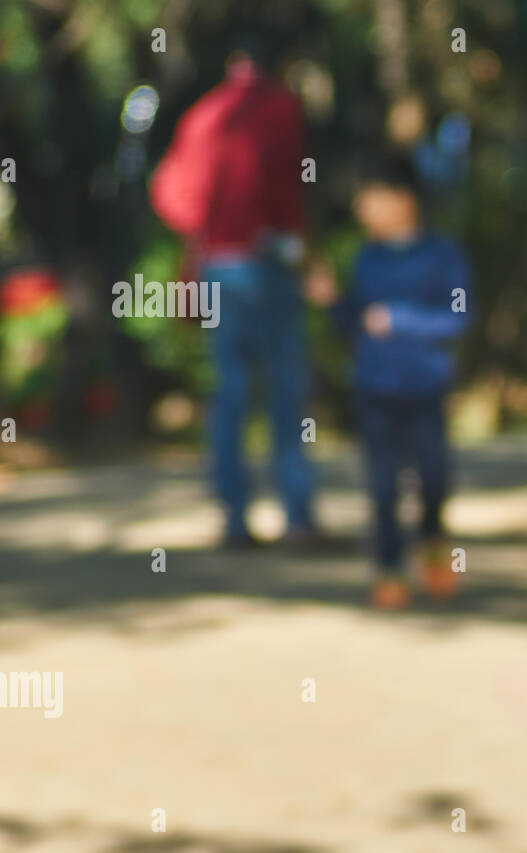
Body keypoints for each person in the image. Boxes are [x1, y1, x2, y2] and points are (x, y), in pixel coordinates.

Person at [150, 30, 325, 551]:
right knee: (285, 391)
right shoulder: (282, 108)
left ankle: (234, 520)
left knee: (228, 394)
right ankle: (296, 517)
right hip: (267, 264)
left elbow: (171, 194)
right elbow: (288, 194)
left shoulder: (202, 114)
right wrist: (304, 254)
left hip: (217, 269)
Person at [304, 151, 472, 609]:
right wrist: (332, 301)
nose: (363, 210)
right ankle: (389, 567)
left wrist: (399, 318)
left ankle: (433, 544)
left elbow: (457, 319)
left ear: (404, 200)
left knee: (434, 477)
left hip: (426, 386)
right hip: (374, 387)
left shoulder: (442, 256)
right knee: (382, 484)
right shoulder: (366, 259)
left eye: (371, 199)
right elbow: (355, 324)